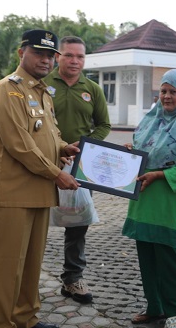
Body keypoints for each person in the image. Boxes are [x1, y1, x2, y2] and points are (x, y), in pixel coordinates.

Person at [0, 29, 81, 328]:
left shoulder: (41, 92)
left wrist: (63, 148)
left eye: (51, 55)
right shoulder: (7, 90)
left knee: (30, 266)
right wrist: (57, 174)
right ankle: (1, 323)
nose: (46, 60)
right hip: (12, 194)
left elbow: (46, 135)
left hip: (38, 192)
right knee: (6, 267)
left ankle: (26, 319)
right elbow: (19, 144)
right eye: (39, 53)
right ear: (21, 53)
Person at [122, 69, 176, 324]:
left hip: (173, 205)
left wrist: (160, 175)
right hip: (145, 203)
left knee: (173, 262)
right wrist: (130, 151)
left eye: (173, 92)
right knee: (148, 257)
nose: (167, 97)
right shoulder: (152, 119)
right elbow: (143, 149)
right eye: (163, 91)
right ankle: (155, 307)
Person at [44, 36, 111, 304]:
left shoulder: (92, 89)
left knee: (77, 223)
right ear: (58, 56)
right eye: (69, 55)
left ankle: (72, 279)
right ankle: (25, 278)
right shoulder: (43, 84)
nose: (75, 61)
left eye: (80, 57)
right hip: (46, 164)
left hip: (81, 166)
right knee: (36, 219)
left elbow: (104, 125)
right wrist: (56, 149)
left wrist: (85, 147)